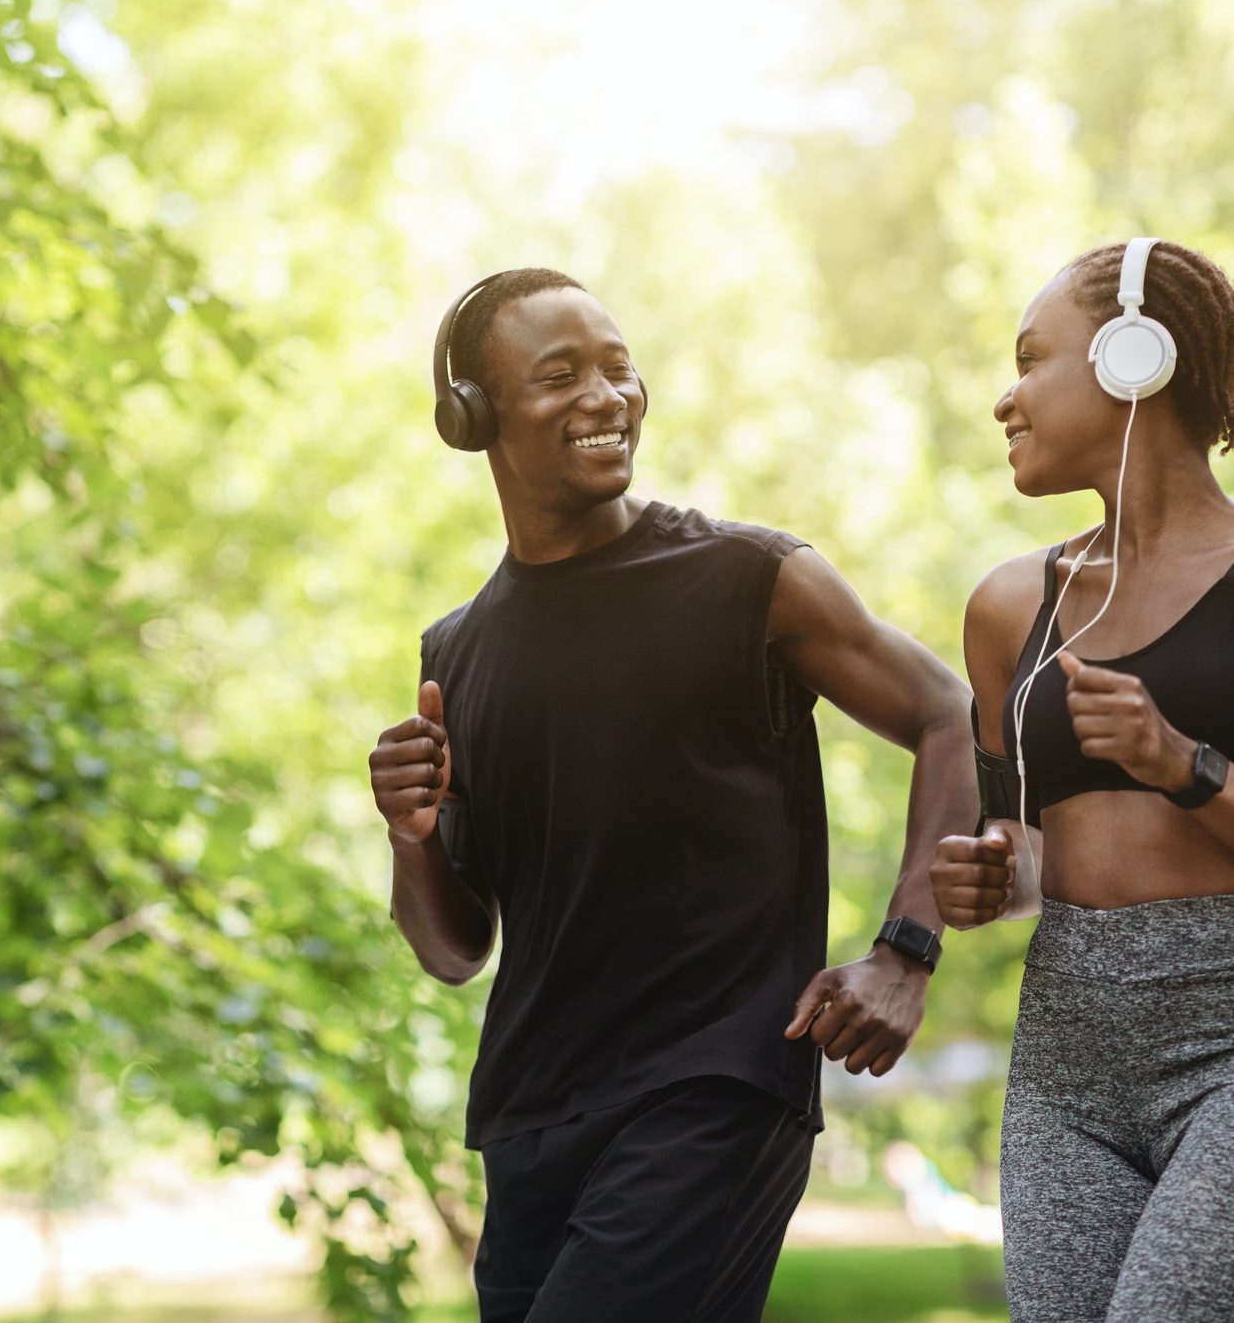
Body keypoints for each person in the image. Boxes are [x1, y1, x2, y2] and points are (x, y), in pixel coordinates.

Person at [369, 267, 975, 1322]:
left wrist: (905, 949)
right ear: (471, 416)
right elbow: (455, 949)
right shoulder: (455, 653)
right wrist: (411, 836)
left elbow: (948, 714)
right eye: (559, 376)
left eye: (619, 368)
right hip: (529, 1112)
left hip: (712, 1089)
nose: (606, 397)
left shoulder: (752, 580)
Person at [930, 237, 1234, 1323]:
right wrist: (987, 878)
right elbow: (1024, 852)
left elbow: (1181, 781)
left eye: (1029, 358)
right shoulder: (1009, 607)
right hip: (1068, 1053)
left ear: (1132, 357)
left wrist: (1181, 766)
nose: (1004, 400)